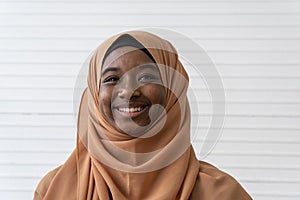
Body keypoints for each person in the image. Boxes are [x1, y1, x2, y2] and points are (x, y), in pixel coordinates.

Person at [34, 31, 252, 200]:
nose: (128, 91)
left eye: (146, 76)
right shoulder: (54, 190)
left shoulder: (221, 193)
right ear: (93, 92)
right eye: (111, 79)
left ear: (172, 90)